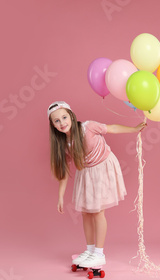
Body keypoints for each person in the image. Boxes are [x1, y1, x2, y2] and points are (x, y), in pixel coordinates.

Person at [48, 101, 147, 268]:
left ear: (71, 116)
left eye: (64, 117)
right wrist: (60, 196)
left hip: (102, 168)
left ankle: (99, 254)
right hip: (86, 172)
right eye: (56, 121)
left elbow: (112, 128)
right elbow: (63, 173)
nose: (62, 123)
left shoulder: (88, 127)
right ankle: (90, 250)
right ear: (52, 125)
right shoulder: (64, 143)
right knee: (86, 212)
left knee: (97, 212)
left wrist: (134, 129)